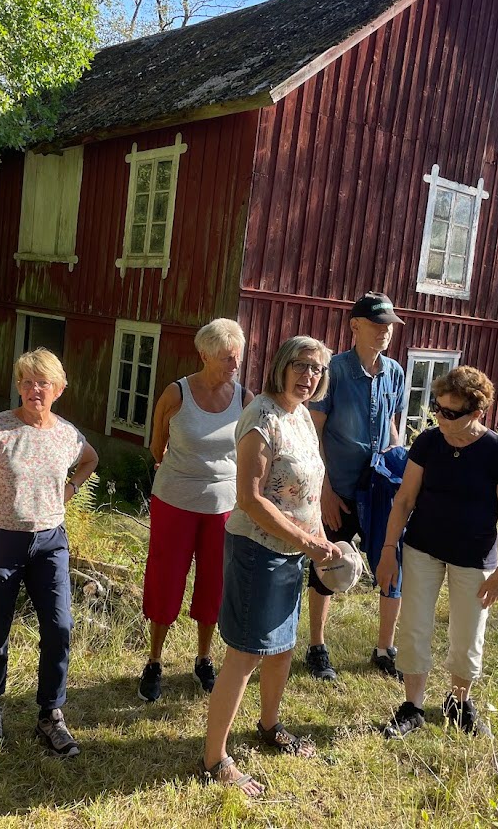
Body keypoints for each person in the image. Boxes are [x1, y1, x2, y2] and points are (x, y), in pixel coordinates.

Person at [201, 336, 344, 797]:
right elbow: (250, 497)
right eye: (301, 366)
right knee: (245, 654)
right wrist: (305, 540)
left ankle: (268, 726)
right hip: (258, 550)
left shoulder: (300, 415)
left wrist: (318, 538)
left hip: (293, 551)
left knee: (281, 647)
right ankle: (214, 758)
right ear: (281, 366)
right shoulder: (261, 416)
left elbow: (305, 490)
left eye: (317, 370)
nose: (309, 377)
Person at [0, 348, 99, 757]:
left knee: (59, 627)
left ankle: (51, 715)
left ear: (58, 389)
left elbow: (90, 459)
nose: (33, 389)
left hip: (50, 543)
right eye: (26, 381)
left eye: (42, 382)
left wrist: (71, 489)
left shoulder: (67, 434)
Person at [376, 366, 498, 739]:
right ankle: (412, 707)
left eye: (450, 412)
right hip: (423, 547)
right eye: (437, 409)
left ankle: (459, 703)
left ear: (477, 413)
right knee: (414, 626)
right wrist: (389, 550)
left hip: (475, 557)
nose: (440, 417)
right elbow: (405, 499)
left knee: (468, 633)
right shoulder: (428, 442)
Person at [139, 319, 254, 702]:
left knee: (213, 583)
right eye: (226, 358)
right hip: (175, 501)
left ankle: (204, 659)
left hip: (224, 507)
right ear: (204, 355)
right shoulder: (177, 394)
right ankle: (154, 661)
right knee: (165, 579)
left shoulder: (244, 399)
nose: (234, 365)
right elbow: (157, 447)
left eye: (237, 357)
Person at [307, 292, 407, 681]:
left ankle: (385, 649)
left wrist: (399, 466)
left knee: (390, 565)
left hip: (381, 490)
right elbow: (314, 433)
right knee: (326, 564)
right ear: (355, 326)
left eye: (389, 326)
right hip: (340, 489)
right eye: (377, 324)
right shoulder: (332, 370)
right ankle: (317, 648)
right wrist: (325, 490)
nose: (385, 332)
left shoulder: (395, 372)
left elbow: (392, 428)